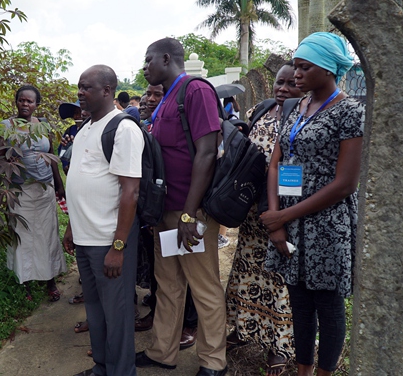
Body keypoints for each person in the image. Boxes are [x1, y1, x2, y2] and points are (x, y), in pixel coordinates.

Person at [261, 32, 363, 376]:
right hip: (288, 221)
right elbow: (277, 162)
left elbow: (345, 183)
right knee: (300, 304)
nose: (297, 73)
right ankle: (303, 370)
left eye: (305, 67)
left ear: (329, 70)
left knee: (329, 306)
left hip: (326, 223)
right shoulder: (297, 106)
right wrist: (277, 220)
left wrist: (281, 217)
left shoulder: (349, 111)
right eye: (296, 66)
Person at [135, 38, 227, 376]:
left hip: (191, 213)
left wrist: (190, 214)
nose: (144, 66)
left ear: (165, 57)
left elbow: (206, 153)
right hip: (166, 212)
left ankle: (214, 362)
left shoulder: (195, 90)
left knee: (203, 286)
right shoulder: (166, 97)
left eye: (148, 60)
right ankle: (163, 352)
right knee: (169, 284)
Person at [64, 64, 144, 376]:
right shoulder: (86, 127)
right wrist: (72, 226)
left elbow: (131, 191)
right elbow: (80, 182)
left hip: (108, 242)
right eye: (79, 87)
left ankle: (122, 371)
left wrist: (118, 246)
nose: (80, 93)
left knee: (117, 314)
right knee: (95, 312)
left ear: (107, 91)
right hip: (85, 239)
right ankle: (102, 366)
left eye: (87, 87)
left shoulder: (123, 129)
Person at [225, 61, 303, 376]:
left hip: (280, 215)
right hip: (251, 217)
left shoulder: (302, 118)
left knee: (279, 283)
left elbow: (293, 174)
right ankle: (244, 329)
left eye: (290, 84)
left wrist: (278, 215)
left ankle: (279, 347)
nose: (283, 89)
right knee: (246, 276)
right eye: (279, 83)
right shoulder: (262, 109)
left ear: (302, 86)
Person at [1, 85, 67, 302]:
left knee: (46, 235)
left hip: (44, 189)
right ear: (16, 102)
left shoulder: (44, 125)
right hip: (20, 191)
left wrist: (59, 184)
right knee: (24, 237)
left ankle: (50, 281)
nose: (25, 104)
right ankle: (26, 283)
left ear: (37, 104)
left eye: (30, 101)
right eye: (21, 100)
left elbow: (51, 156)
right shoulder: (6, 126)